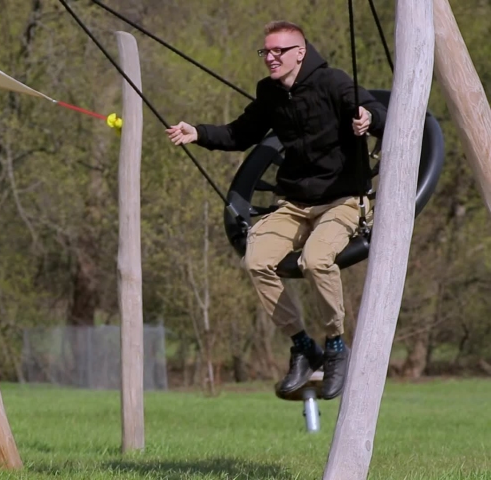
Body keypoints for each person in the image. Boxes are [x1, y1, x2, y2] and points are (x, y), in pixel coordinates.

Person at [166, 20, 387, 399]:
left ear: (299, 52)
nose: (270, 58)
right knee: (255, 261)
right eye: (265, 52)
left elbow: (375, 110)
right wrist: (198, 133)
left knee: (316, 261)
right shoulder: (269, 94)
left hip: (343, 199)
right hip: (294, 204)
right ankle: (303, 346)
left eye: (278, 51)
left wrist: (368, 119)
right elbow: (240, 134)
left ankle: (335, 346)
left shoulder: (333, 82)